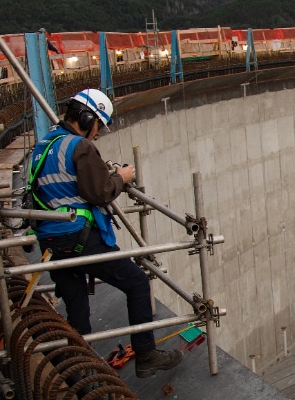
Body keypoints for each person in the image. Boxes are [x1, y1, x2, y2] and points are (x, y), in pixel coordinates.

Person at [29, 89, 183, 378]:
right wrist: (121, 178)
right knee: (137, 282)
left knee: (76, 305)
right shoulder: (80, 147)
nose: (98, 134)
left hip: (50, 240)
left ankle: (79, 371)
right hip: (79, 237)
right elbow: (99, 193)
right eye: (98, 125)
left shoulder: (45, 145)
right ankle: (146, 355)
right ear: (88, 119)